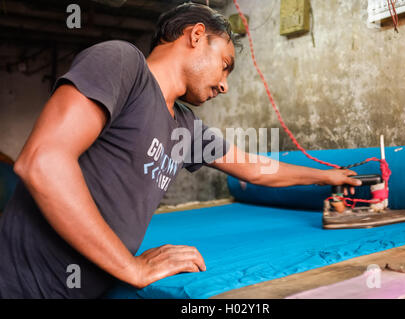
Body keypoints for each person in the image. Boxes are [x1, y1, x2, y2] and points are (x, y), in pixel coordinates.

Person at [0, 3, 361, 298]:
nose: (224, 85)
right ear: (196, 35)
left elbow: (254, 169)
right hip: (20, 286)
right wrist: (132, 267)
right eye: (225, 66)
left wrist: (326, 176)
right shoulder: (124, 65)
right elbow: (42, 162)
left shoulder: (184, 126)